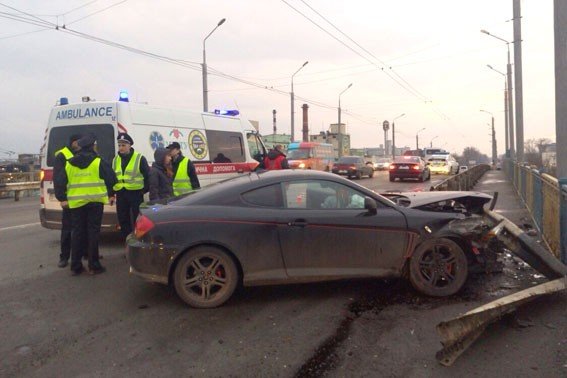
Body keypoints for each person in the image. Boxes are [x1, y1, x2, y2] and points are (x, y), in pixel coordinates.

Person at [54, 133, 117, 275]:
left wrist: (62, 198)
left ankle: (76, 266)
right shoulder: (98, 162)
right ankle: (94, 265)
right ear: (93, 146)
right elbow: (112, 178)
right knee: (93, 232)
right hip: (95, 203)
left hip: (76, 203)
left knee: (77, 233)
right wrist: (111, 193)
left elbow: (59, 181)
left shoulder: (69, 163)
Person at [112, 133, 150, 239]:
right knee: (123, 219)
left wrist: (144, 190)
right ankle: (127, 241)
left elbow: (147, 175)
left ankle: (139, 240)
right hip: (121, 194)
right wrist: (111, 193)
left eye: (123, 145)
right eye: (119, 145)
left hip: (135, 193)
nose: (121, 148)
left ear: (130, 146)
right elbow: (112, 177)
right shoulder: (115, 160)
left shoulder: (139, 158)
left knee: (138, 219)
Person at [54, 134, 82, 268]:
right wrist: (62, 198)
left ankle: (86, 253)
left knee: (82, 228)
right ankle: (64, 257)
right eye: (79, 142)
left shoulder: (80, 153)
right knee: (67, 229)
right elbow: (58, 179)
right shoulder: (63, 155)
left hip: (80, 198)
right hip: (69, 199)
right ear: (74, 142)